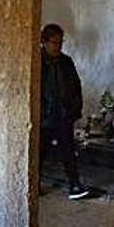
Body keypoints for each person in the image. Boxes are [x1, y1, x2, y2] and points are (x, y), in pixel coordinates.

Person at [40, 23, 90, 200]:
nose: (58, 46)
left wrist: (75, 109)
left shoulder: (66, 62)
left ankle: (74, 185)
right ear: (44, 42)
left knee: (68, 151)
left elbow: (75, 87)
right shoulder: (38, 62)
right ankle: (32, 184)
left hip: (63, 114)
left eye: (61, 42)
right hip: (44, 116)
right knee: (39, 152)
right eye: (55, 42)